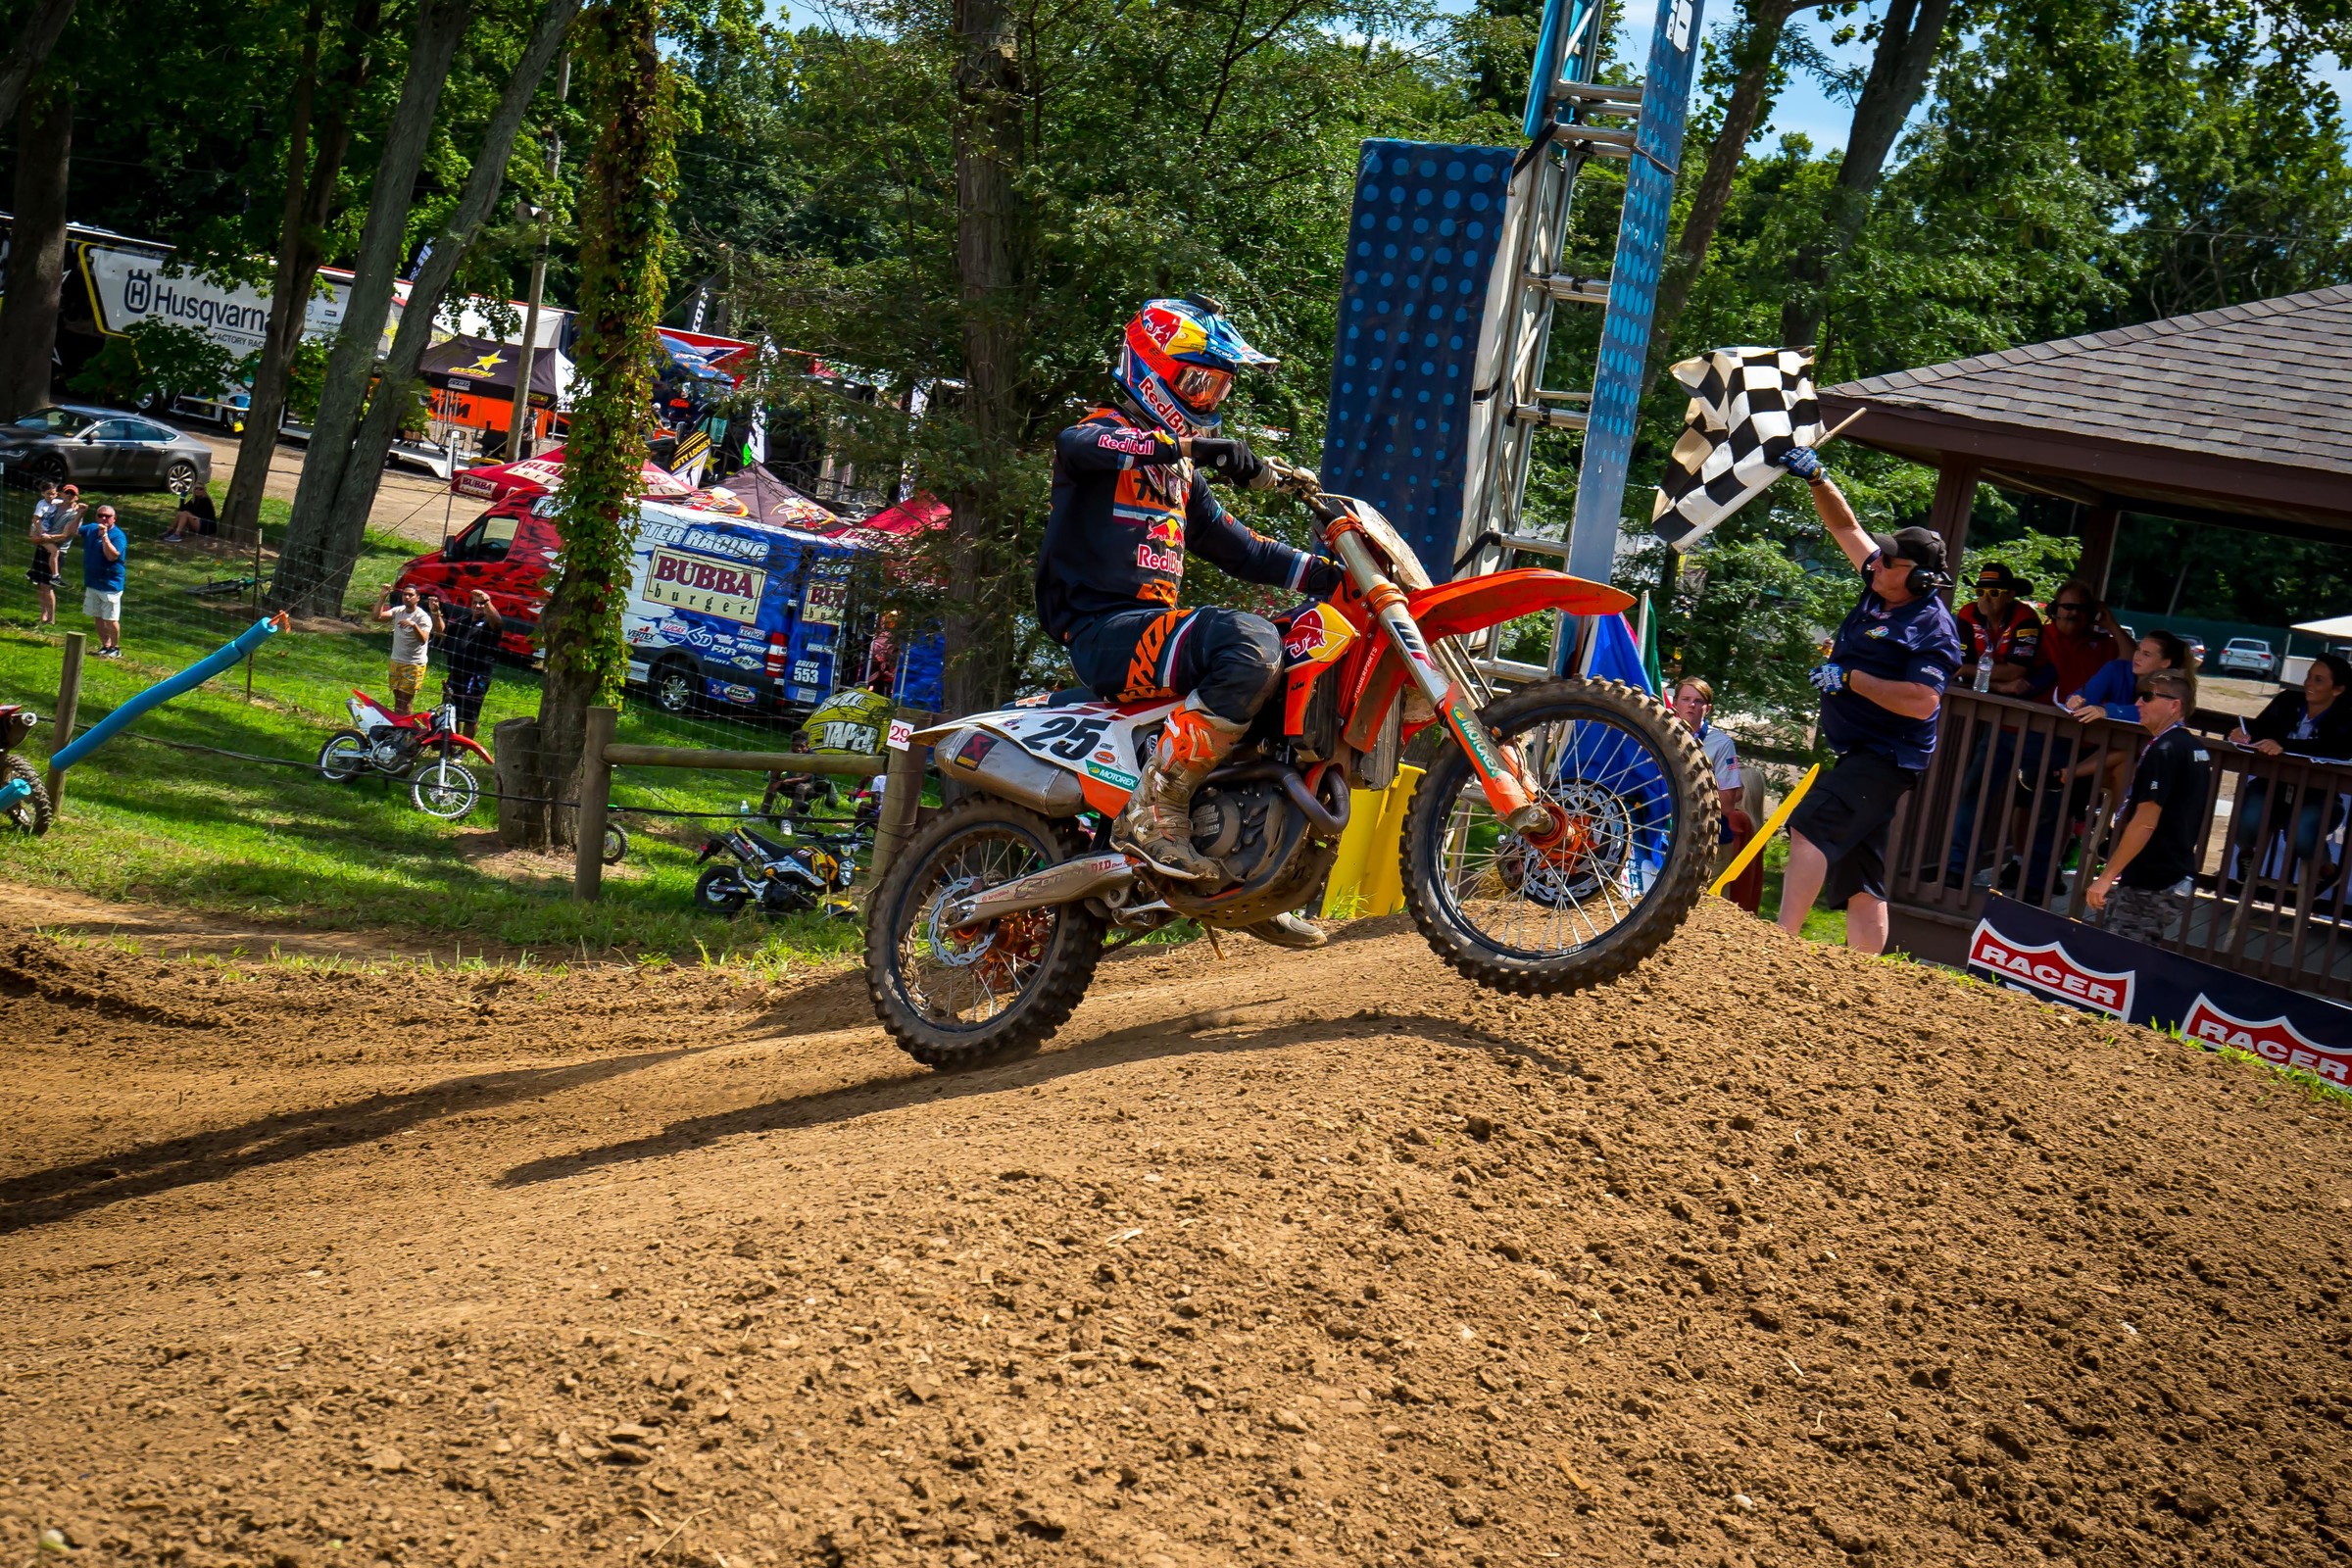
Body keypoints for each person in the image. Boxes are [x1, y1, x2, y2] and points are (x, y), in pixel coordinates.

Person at [1035, 295, 1343, 951]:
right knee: (1246, 640)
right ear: (1151, 370)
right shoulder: (1100, 437)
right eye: (1198, 380)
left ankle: (1247, 868)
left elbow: (1245, 549)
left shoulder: (1175, 471)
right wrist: (1198, 446)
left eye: (1219, 384)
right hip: (1104, 632)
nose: (1208, 397)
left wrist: (1336, 575)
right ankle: (1156, 810)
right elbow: (1084, 443)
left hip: (1152, 634)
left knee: (1294, 657)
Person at [1771, 445, 1962, 954]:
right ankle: (1864, 980)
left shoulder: (1932, 629)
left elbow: (1923, 701)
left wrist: (1850, 680)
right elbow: (1845, 528)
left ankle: (1779, 944)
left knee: (1809, 826)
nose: (1877, 564)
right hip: (1864, 752)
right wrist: (1817, 479)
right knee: (1860, 871)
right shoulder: (1881, 581)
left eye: (1891, 562)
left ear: (1919, 578)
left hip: (1887, 754)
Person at [2085, 668, 2210, 944]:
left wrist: (2105, 877)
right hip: (2169, 872)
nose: (2138, 703)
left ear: (2174, 705)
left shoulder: (2165, 750)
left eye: (2147, 697)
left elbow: (2146, 821)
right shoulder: (2192, 747)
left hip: (2154, 878)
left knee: (2119, 956)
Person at [2227, 651, 2352, 884]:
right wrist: (2244, 734)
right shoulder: (2287, 700)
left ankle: (2326, 869)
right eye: (2308, 676)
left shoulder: (2346, 716)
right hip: (2271, 785)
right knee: (2247, 818)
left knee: (2303, 833)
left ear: (2338, 690)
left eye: (2319, 680)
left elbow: (2337, 748)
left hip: (2319, 795)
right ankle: (2246, 856)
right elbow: (2260, 728)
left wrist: (2282, 744)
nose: (2308, 684)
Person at [1673, 676, 1761, 912]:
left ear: (1707, 708)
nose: (1691, 705)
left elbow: (1727, 803)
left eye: (1698, 701)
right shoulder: (1657, 732)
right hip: (1658, 832)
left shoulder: (1721, 744)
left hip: (1706, 837)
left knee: (1706, 909)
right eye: (1686, 699)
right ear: (1674, 704)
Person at [1955, 563, 2042, 695]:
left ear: (2010, 595)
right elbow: (1960, 669)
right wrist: (2000, 686)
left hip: (2026, 696)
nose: (1985, 598)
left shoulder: (2025, 619)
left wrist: (1967, 670)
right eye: (1980, 592)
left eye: (1994, 593)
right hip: (1978, 691)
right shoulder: (1967, 614)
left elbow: (2015, 672)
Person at [429, 589, 504, 737]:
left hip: (475, 678)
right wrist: (436, 612)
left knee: (470, 717)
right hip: (455, 674)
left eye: (481, 604)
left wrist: (487, 601)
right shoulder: (463, 620)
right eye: (475, 603)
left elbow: (498, 622)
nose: (478, 606)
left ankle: (463, 751)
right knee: (451, 712)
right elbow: (441, 633)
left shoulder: (490, 625)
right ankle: (450, 745)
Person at [374, 583, 433, 714]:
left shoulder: (423, 617)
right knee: (398, 699)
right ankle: (398, 727)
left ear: (417, 598)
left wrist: (414, 625)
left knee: (406, 700)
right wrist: (382, 598)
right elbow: (376, 617)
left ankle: (405, 730)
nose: (407, 597)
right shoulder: (398, 611)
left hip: (413, 664)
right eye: (405, 594)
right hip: (396, 661)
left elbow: (423, 639)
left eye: (410, 595)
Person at [79, 502, 125, 659]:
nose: (104, 518)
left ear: (114, 519)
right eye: (101, 515)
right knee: (97, 616)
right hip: (93, 582)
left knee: (111, 619)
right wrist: (79, 514)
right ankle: (105, 646)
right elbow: (71, 532)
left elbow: (112, 556)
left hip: (110, 585)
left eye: (108, 516)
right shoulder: (92, 528)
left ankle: (116, 648)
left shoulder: (118, 536)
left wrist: (105, 536)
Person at [24, 481, 74, 625]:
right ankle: (43, 616)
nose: (52, 496)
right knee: (41, 585)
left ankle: (51, 618)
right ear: (42, 493)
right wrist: (40, 533)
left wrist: (77, 506)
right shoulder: (42, 504)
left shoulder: (59, 503)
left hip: (47, 538)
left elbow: (69, 504)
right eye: (48, 494)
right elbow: (36, 519)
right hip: (41, 534)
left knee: (47, 585)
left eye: (54, 493)